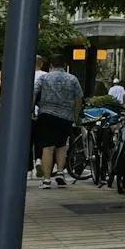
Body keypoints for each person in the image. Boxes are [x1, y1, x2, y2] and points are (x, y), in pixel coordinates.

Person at [34, 54, 83, 187]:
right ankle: (60, 172)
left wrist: (32, 110)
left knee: (48, 147)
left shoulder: (44, 78)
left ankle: (46, 179)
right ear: (65, 65)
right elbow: (79, 97)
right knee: (62, 145)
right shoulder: (72, 79)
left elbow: (34, 93)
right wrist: (75, 115)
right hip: (66, 117)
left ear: (51, 65)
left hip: (47, 115)